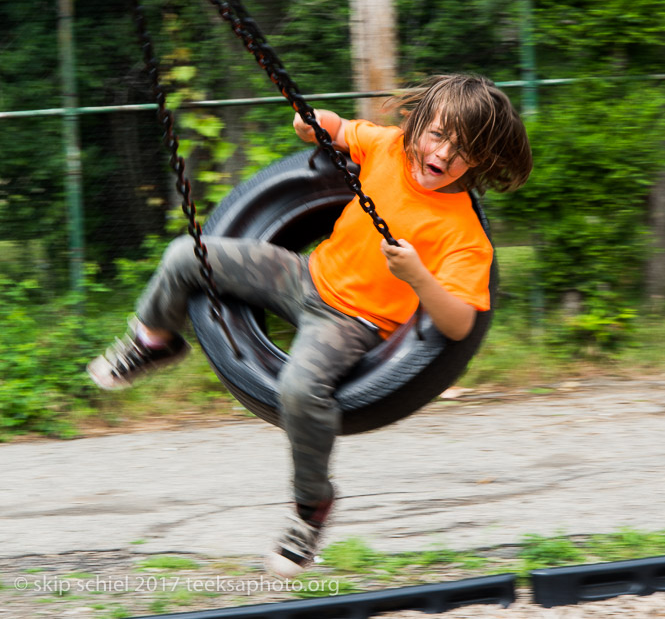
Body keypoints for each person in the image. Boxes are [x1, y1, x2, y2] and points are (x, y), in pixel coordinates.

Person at [87, 73, 532, 578]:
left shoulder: (464, 234)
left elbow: (457, 323)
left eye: (464, 148)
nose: (445, 153)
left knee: (299, 388)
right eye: (437, 134)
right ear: (415, 124)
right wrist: (313, 124)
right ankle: (155, 339)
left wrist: (418, 277)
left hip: (355, 322)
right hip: (305, 277)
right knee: (187, 256)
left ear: (483, 160)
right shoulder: (388, 147)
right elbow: (341, 131)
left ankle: (310, 508)